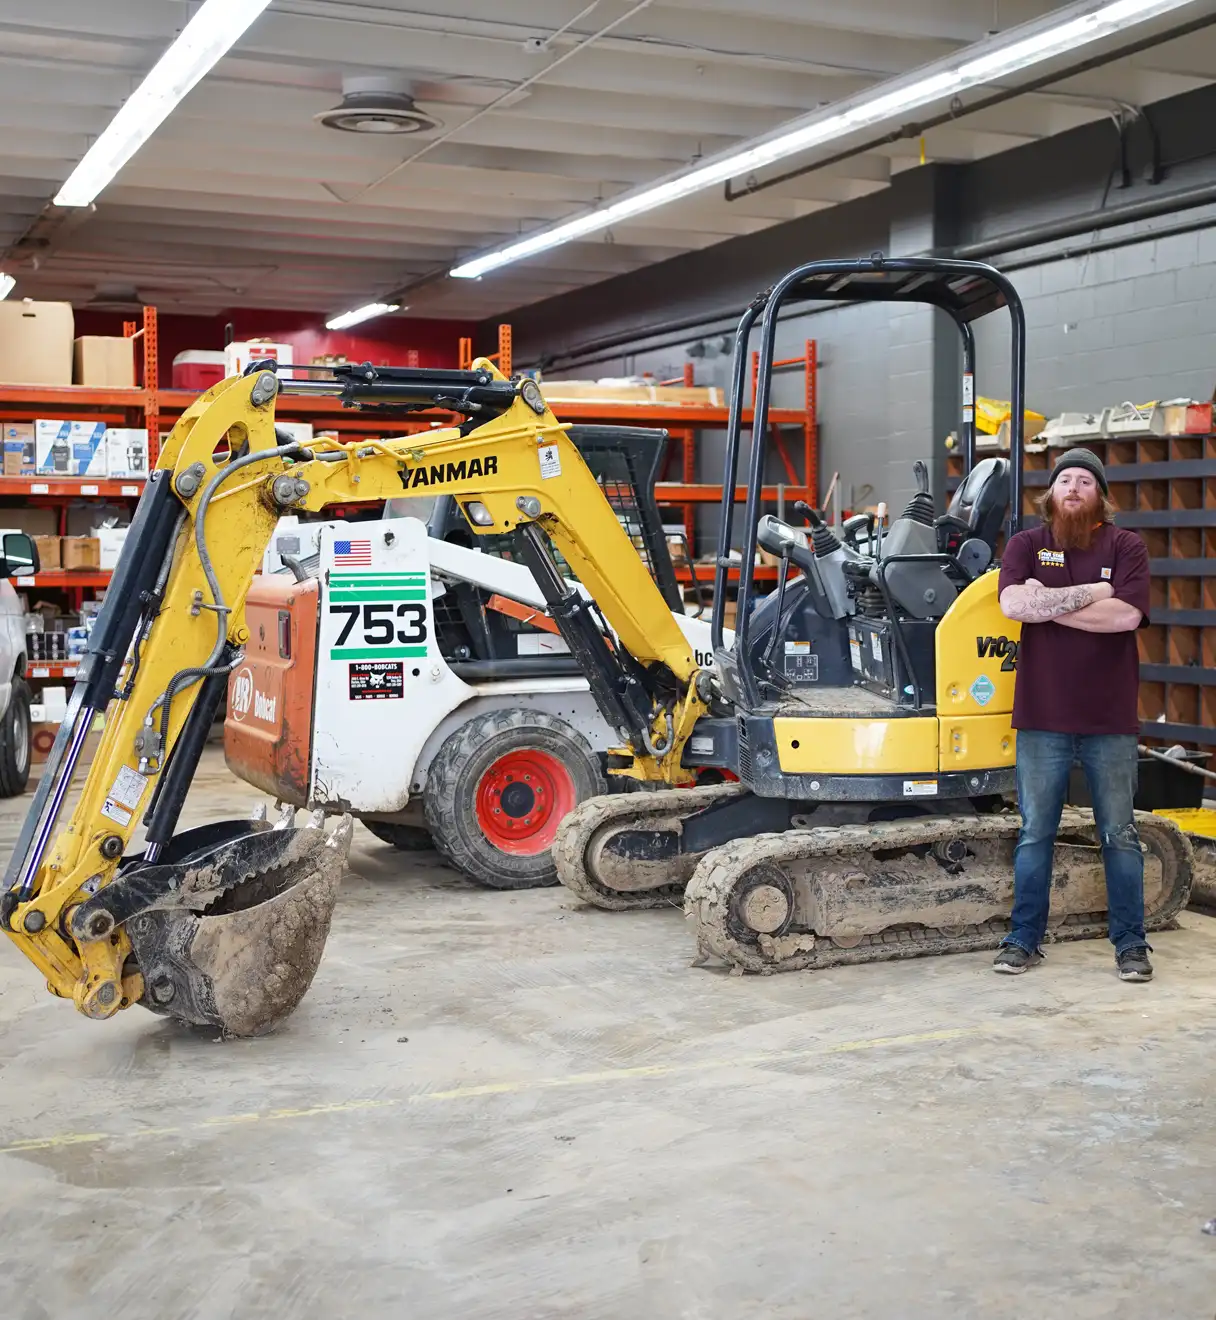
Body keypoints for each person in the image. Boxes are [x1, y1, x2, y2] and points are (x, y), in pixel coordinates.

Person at [992, 447, 1154, 981]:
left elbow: (1126, 616)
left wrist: (1052, 603)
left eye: (1086, 480)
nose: (1075, 487)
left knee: (1120, 834)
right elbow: (1014, 606)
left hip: (1109, 720)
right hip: (1042, 717)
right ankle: (1023, 939)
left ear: (1100, 497)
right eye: (1066, 480)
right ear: (1052, 495)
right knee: (1035, 832)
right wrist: (1094, 594)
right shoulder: (1026, 544)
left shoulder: (1126, 545)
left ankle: (1131, 945)